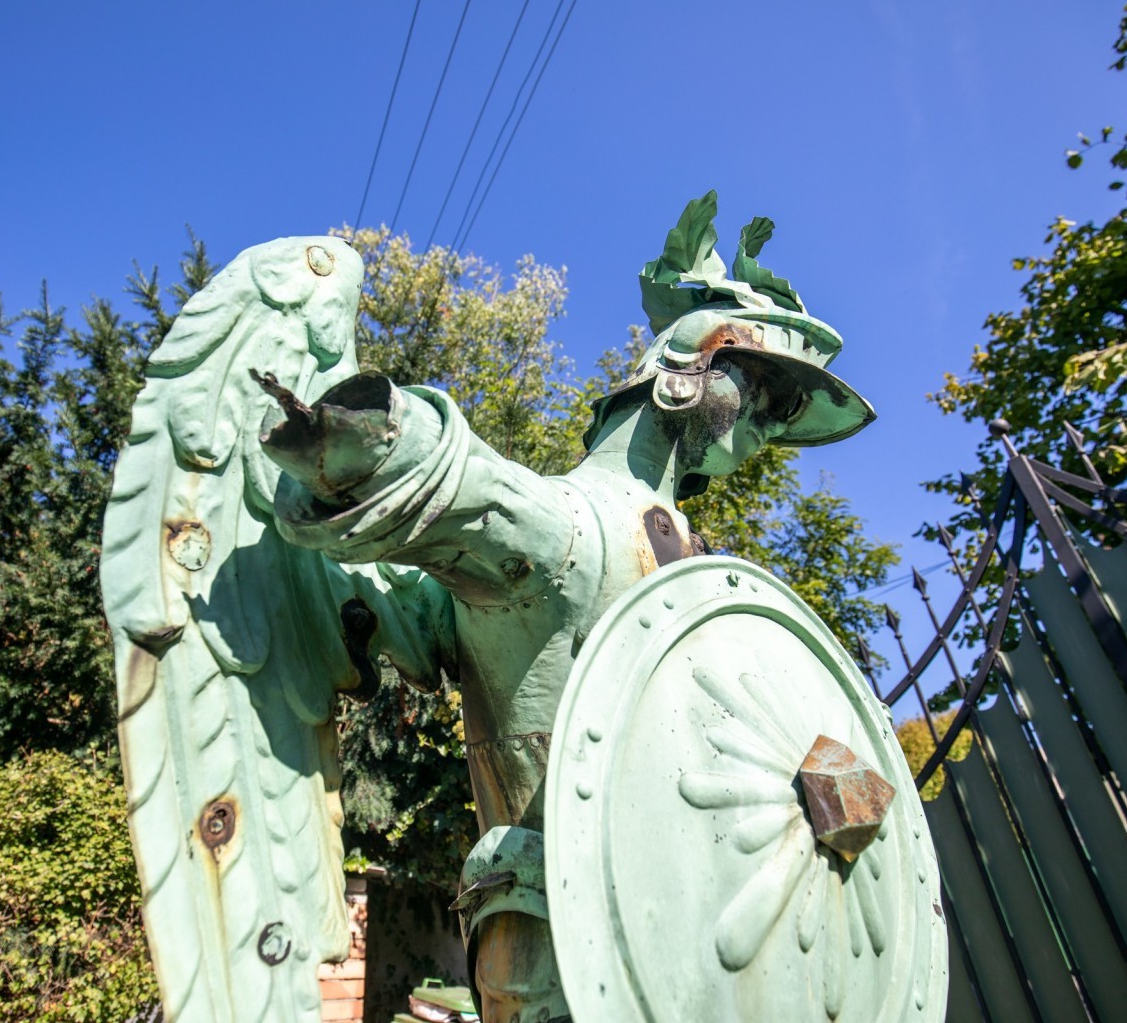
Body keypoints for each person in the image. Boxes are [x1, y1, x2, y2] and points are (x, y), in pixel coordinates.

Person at [258, 194, 874, 1023]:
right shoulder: (574, 530)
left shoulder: (689, 563)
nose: (769, 422)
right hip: (555, 970)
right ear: (686, 373)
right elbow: (439, 482)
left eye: (783, 410)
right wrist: (342, 436)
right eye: (762, 389)